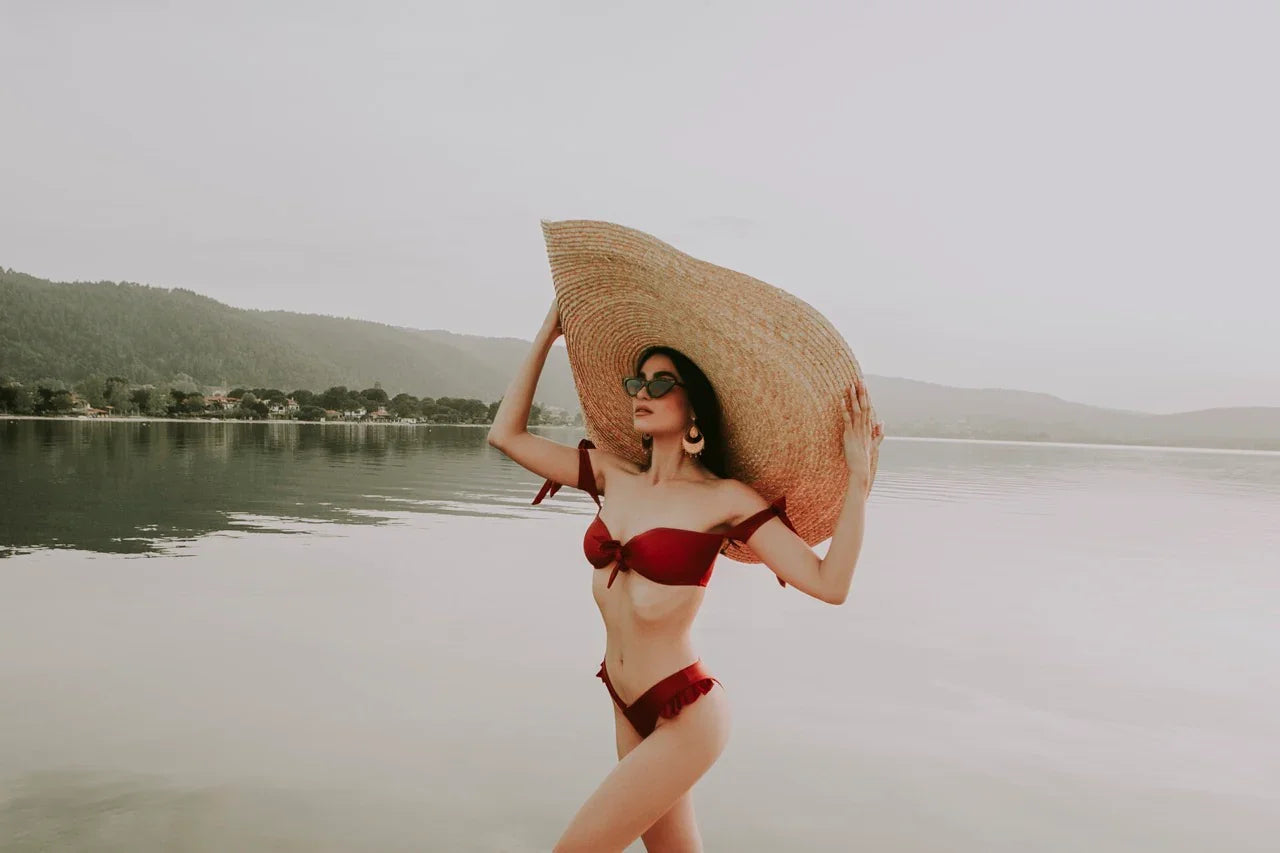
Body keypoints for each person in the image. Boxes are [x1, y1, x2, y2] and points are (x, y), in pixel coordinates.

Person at [487, 296, 883, 852]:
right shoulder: (611, 475)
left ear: (693, 403)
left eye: (660, 383)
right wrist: (546, 336)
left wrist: (858, 480)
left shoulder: (725, 499)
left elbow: (829, 583)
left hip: (686, 712)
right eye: (637, 383)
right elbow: (506, 435)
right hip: (624, 700)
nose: (641, 394)